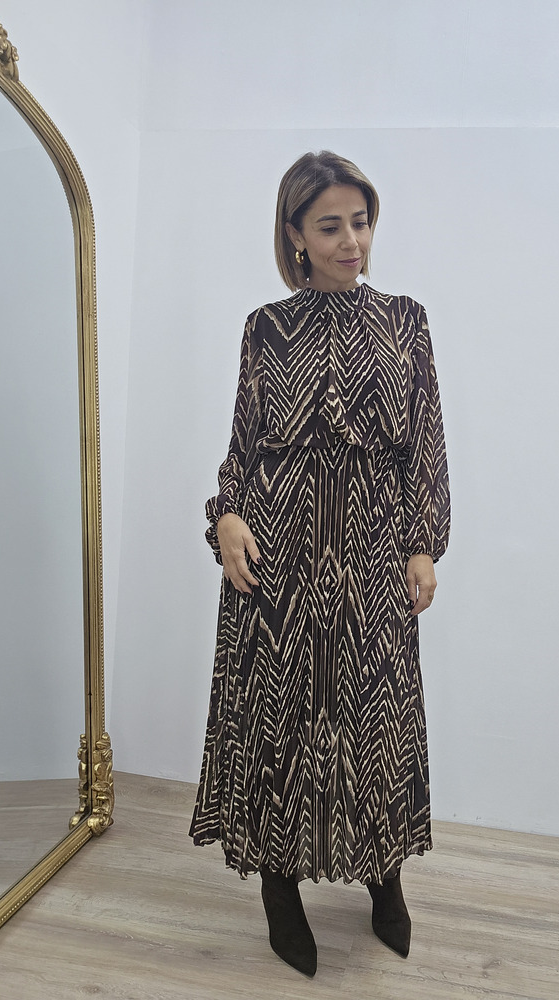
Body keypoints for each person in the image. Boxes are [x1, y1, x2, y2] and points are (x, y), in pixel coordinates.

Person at [190, 150, 450, 977]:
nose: (352, 242)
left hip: (373, 549)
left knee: (376, 717)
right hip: (279, 552)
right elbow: (243, 445)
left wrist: (422, 542)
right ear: (296, 236)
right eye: (330, 226)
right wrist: (228, 515)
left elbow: (425, 443)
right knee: (280, 723)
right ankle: (279, 888)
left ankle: (384, 876)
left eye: (361, 222)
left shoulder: (406, 321)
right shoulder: (265, 328)